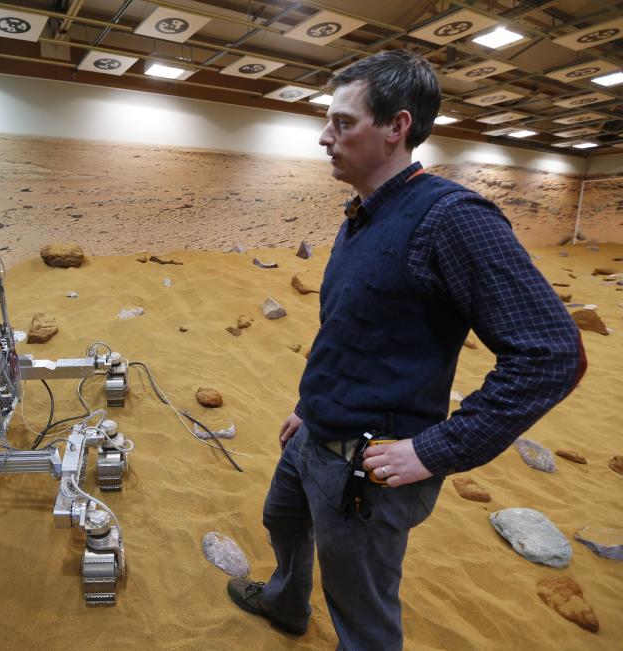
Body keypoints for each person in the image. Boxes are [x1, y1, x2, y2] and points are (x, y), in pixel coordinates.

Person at [226, 49, 586, 650]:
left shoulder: (452, 220)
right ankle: (288, 603)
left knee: (361, 613)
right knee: (283, 522)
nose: (324, 137)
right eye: (328, 120)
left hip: (371, 469)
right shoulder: (362, 215)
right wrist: (311, 405)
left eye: (343, 122)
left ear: (397, 127)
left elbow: (551, 354)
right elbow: (353, 329)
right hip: (315, 435)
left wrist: (436, 450)